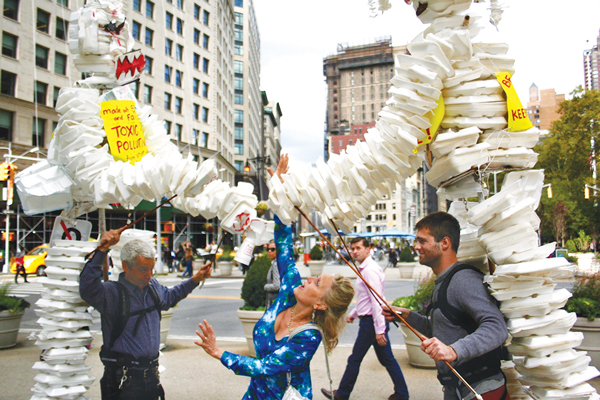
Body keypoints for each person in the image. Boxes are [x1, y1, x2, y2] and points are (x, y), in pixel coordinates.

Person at [194, 154, 355, 399]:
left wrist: (218, 352)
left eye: (317, 283)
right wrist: (280, 195)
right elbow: (284, 244)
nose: (308, 279)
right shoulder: (291, 289)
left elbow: (262, 367)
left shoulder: (309, 337)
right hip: (255, 394)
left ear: (321, 303)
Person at [384, 212, 509, 400]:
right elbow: (443, 329)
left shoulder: (463, 280)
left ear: (444, 243)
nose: (416, 247)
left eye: (422, 241)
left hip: (482, 389)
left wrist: (453, 351)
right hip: (457, 390)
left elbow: (497, 327)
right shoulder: (444, 281)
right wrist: (408, 316)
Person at [80, 229, 212, 400]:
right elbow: (88, 288)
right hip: (123, 379)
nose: (148, 275)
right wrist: (102, 250)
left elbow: (171, 297)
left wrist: (196, 279)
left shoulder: (153, 287)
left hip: (150, 376)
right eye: (143, 269)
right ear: (126, 266)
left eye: (151, 269)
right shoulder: (112, 293)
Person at [321, 237, 409, 400]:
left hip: (371, 323)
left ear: (368, 249)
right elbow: (365, 298)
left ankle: (342, 394)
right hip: (370, 320)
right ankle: (402, 393)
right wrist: (353, 314)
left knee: (355, 359)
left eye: (358, 248)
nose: (354, 251)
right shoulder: (365, 269)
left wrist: (380, 330)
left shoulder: (369, 270)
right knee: (387, 360)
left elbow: (377, 301)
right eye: (352, 249)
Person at [264, 240, 280, 308]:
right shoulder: (279, 262)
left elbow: (277, 286)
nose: (269, 251)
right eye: (268, 249)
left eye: (273, 249)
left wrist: (265, 286)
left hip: (275, 302)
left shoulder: (276, 264)